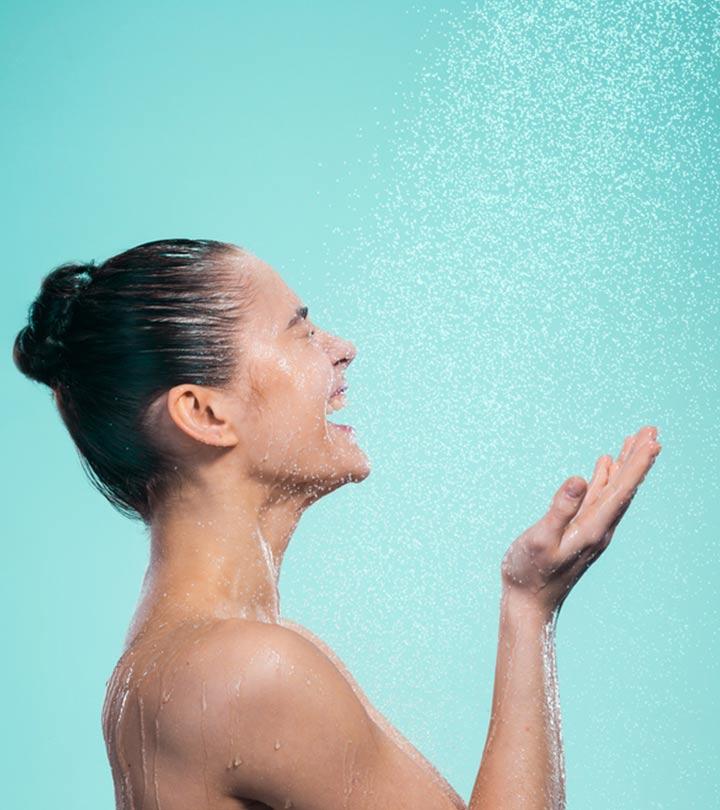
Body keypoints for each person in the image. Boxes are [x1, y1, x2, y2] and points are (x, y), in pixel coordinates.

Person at [13, 238, 661, 809]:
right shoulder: (247, 671)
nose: (343, 350)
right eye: (302, 331)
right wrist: (531, 609)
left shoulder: (162, 668)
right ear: (204, 413)